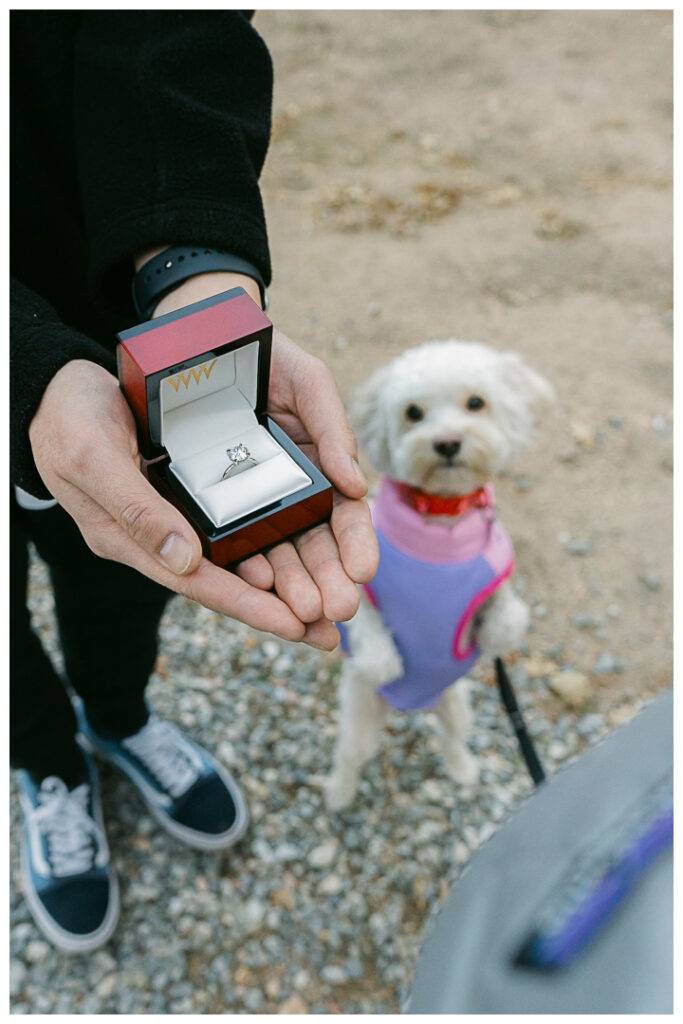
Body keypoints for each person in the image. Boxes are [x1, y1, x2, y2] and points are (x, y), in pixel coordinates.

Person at [10, 10, 378, 952]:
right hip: (41, 361)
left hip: (115, 353)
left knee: (125, 582)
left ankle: (120, 717)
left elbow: (166, 25)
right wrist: (25, 363)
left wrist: (194, 274)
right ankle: (46, 767)